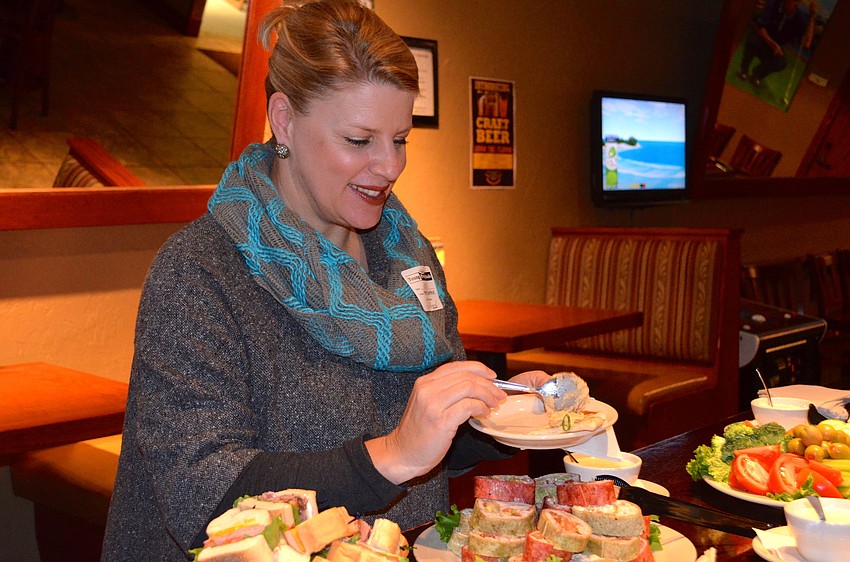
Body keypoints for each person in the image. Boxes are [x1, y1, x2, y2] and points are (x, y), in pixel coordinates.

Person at [101, 0, 550, 559]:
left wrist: (496, 415)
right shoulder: (199, 272)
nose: (389, 166)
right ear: (284, 119)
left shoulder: (404, 253)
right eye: (360, 141)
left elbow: (420, 433)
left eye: (401, 139)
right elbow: (203, 496)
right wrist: (392, 456)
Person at [738, 0, 818, 87]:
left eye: (796, 1)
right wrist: (773, 45)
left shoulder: (799, 18)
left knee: (781, 62)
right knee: (752, 40)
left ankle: (757, 75)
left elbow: (807, 43)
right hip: (762, 39)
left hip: (775, 48)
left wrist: (812, 16)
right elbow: (761, 29)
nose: (793, 3)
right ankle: (743, 70)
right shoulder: (774, 3)